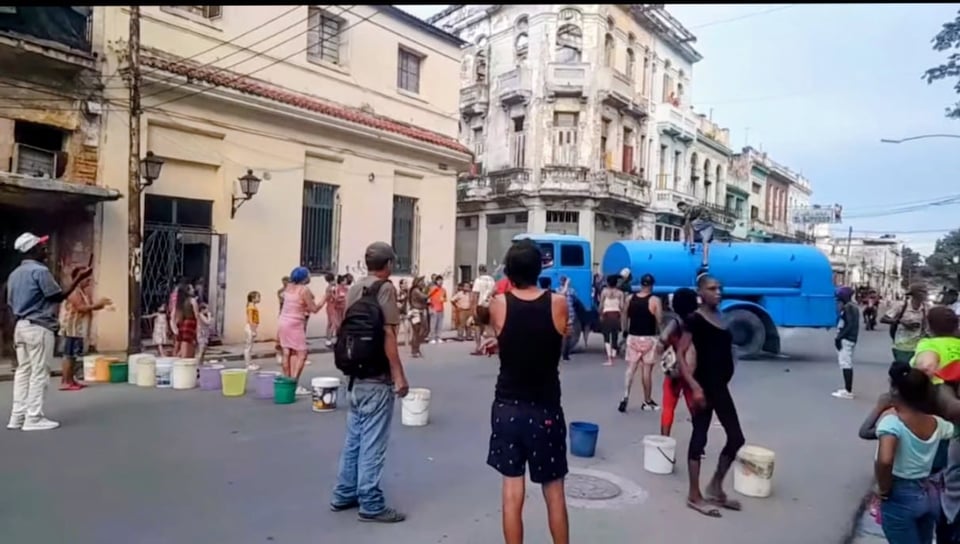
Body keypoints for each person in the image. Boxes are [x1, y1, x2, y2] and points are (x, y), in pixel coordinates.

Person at [483, 238, 570, 544]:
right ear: (540, 267)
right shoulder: (559, 303)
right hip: (545, 407)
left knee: (511, 491)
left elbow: (507, 334)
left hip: (508, 406)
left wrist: (498, 342)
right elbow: (551, 340)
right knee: (554, 491)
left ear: (509, 270)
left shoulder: (499, 304)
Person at [331, 242, 409, 523]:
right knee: (373, 443)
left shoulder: (354, 288)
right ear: (388, 263)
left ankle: (343, 493)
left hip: (354, 376)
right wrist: (399, 375)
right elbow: (388, 335)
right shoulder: (385, 288)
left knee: (354, 439)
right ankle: (371, 502)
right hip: (377, 378)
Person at [860, 363, 954, 544]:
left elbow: (882, 455)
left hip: (900, 494)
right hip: (928, 492)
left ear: (894, 392)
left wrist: (884, 489)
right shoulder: (935, 423)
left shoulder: (891, 423)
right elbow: (953, 428)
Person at [6, 233, 92, 431]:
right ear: (33, 250)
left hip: (21, 326)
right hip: (39, 327)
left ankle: (17, 417)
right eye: (42, 246)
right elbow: (56, 296)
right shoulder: (40, 271)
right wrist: (78, 279)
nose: (46, 250)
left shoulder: (14, 274)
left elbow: (10, 304)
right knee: (39, 373)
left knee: (23, 371)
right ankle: (33, 418)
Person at [685, 274, 746, 518]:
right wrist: (694, 387)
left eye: (720, 288)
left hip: (720, 387)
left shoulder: (720, 317)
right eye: (712, 288)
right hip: (702, 387)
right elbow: (681, 355)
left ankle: (715, 486)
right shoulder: (694, 319)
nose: (718, 292)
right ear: (701, 292)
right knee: (699, 438)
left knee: (737, 437)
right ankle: (694, 495)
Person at [658, 288, 705, 437]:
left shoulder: (675, 322)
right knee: (694, 409)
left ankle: (664, 442)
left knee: (668, 407)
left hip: (675, 370)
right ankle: (698, 445)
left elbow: (663, 338)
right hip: (693, 372)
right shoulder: (699, 322)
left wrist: (671, 345)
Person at [58, 266, 111, 390]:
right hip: (70, 327)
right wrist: (97, 305)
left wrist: (100, 305)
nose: (89, 282)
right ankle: (65, 381)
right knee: (68, 355)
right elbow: (80, 308)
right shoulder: (73, 291)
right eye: (87, 279)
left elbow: (88, 307)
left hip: (77, 328)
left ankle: (71, 380)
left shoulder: (81, 291)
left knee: (73, 355)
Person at [620, 273, 663, 412]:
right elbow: (660, 320)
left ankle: (625, 395)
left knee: (630, 369)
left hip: (633, 337)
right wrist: (661, 336)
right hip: (649, 338)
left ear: (640, 284)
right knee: (646, 371)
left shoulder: (630, 298)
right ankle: (647, 401)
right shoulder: (655, 300)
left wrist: (625, 330)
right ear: (651, 285)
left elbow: (624, 315)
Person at [278, 267, 323, 396]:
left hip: (283, 321)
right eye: (308, 275)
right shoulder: (304, 290)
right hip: (295, 323)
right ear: (304, 278)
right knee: (302, 354)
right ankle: (294, 384)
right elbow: (314, 309)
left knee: (286, 351)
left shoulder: (288, 287)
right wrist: (325, 297)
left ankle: (287, 381)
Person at [883, 284, 929, 364]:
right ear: (914, 294)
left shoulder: (926, 307)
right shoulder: (901, 306)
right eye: (922, 291)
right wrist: (901, 322)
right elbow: (884, 319)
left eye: (925, 292)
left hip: (918, 346)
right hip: (901, 345)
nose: (925, 294)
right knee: (902, 368)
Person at [834, 286, 861, 399]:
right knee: (845, 362)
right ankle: (847, 389)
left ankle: (848, 390)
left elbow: (849, 325)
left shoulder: (849, 307)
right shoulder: (851, 306)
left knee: (846, 363)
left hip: (847, 339)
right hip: (849, 338)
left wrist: (839, 337)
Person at [677, 201, 714, 274]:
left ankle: (692, 244)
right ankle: (705, 263)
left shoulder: (689, 209)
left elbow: (687, 226)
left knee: (691, 225)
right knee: (705, 242)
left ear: (685, 205)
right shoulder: (695, 209)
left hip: (705, 218)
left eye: (681, 208)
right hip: (710, 222)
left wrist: (685, 240)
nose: (681, 210)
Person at [598, 275, 625, 366]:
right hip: (616, 315)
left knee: (606, 337)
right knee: (615, 336)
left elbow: (601, 305)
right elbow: (621, 307)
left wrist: (600, 314)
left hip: (607, 315)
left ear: (608, 283)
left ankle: (609, 358)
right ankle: (613, 356)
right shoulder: (620, 293)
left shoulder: (604, 292)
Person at [471, 265, 496, 356]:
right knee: (488, 327)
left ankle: (478, 347)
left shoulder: (478, 280)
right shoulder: (492, 280)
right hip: (490, 305)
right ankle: (489, 346)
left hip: (480, 305)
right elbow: (494, 292)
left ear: (479, 271)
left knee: (477, 327)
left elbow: (475, 295)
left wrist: (473, 308)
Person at [174, 284, 199, 358]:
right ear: (187, 291)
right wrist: (198, 328)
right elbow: (196, 315)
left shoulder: (180, 302)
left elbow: (176, 316)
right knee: (189, 348)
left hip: (183, 324)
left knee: (182, 346)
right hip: (191, 324)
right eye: (191, 288)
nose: (193, 290)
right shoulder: (192, 300)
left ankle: (178, 360)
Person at [407, 276, 428, 358]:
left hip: (420, 312)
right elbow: (424, 297)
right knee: (417, 331)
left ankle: (417, 348)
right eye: (422, 282)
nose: (423, 283)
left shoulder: (418, 290)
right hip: (415, 313)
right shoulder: (415, 291)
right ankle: (414, 350)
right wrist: (428, 290)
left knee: (423, 330)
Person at [427, 276, 448, 344]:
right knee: (433, 324)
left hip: (441, 308)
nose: (440, 282)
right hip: (434, 308)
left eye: (441, 280)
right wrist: (430, 307)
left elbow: (445, 298)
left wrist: (443, 299)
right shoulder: (433, 289)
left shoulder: (443, 290)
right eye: (439, 280)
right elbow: (428, 298)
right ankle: (432, 338)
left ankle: (438, 337)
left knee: (439, 324)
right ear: (436, 281)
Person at [244, 291, 261, 370]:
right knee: (248, 347)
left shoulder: (252, 306)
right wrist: (253, 330)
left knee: (250, 347)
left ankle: (250, 363)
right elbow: (250, 320)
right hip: (250, 328)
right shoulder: (251, 307)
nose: (259, 299)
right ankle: (248, 365)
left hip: (252, 327)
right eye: (258, 297)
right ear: (253, 298)